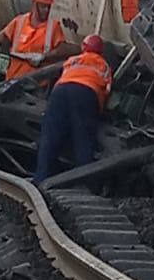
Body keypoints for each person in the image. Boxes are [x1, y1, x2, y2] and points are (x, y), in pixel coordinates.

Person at [33, 35, 112, 184]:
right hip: (86, 93)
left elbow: (62, 75)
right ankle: (85, 184)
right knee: (84, 139)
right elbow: (106, 90)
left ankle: (41, 178)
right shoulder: (104, 65)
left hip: (60, 91)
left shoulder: (72, 60)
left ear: (83, 48)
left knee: (49, 137)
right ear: (101, 51)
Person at [0, 0, 67, 82]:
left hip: (37, 83)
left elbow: (62, 49)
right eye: (43, 7)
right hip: (14, 79)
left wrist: (44, 57)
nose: (46, 10)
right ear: (34, 4)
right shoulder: (19, 21)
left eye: (48, 7)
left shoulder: (53, 27)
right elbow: (3, 34)